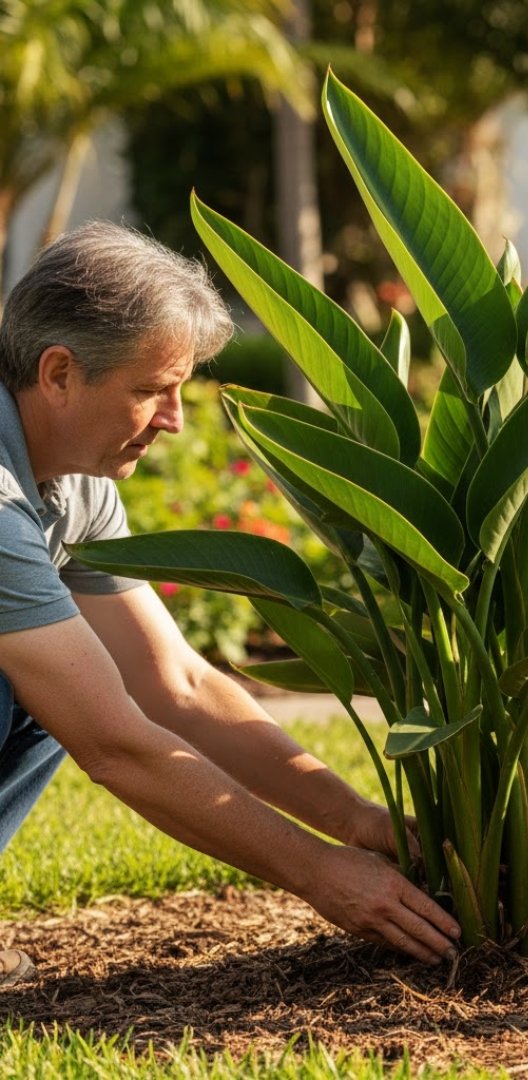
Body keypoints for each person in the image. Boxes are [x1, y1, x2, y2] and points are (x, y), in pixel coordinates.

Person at [0, 222, 460, 986]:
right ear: (58, 374)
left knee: (66, 664)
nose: (175, 419)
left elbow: (173, 682)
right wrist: (319, 873)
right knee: (55, 683)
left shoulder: (76, 479)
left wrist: (357, 821)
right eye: (150, 390)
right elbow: (115, 744)